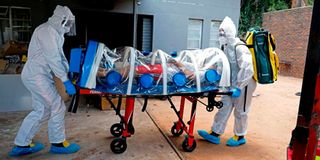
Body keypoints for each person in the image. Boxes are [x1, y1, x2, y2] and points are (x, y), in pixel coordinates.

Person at [9, 5, 80, 156]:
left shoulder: (55, 33)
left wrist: (68, 72)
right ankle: (58, 143)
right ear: (61, 20)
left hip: (39, 76)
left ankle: (22, 145)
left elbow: (60, 57)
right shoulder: (46, 31)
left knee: (41, 111)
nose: (68, 27)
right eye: (67, 23)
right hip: (37, 76)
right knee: (57, 106)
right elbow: (53, 59)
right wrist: (65, 80)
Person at [197, 16, 257, 147]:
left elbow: (248, 69)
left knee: (241, 110)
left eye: (223, 32)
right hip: (230, 84)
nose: (221, 35)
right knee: (224, 107)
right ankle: (215, 133)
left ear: (230, 32)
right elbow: (221, 66)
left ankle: (240, 136)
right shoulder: (224, 47)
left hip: (245, 84)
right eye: (219, 32)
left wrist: (240, 87)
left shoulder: (239, 47)